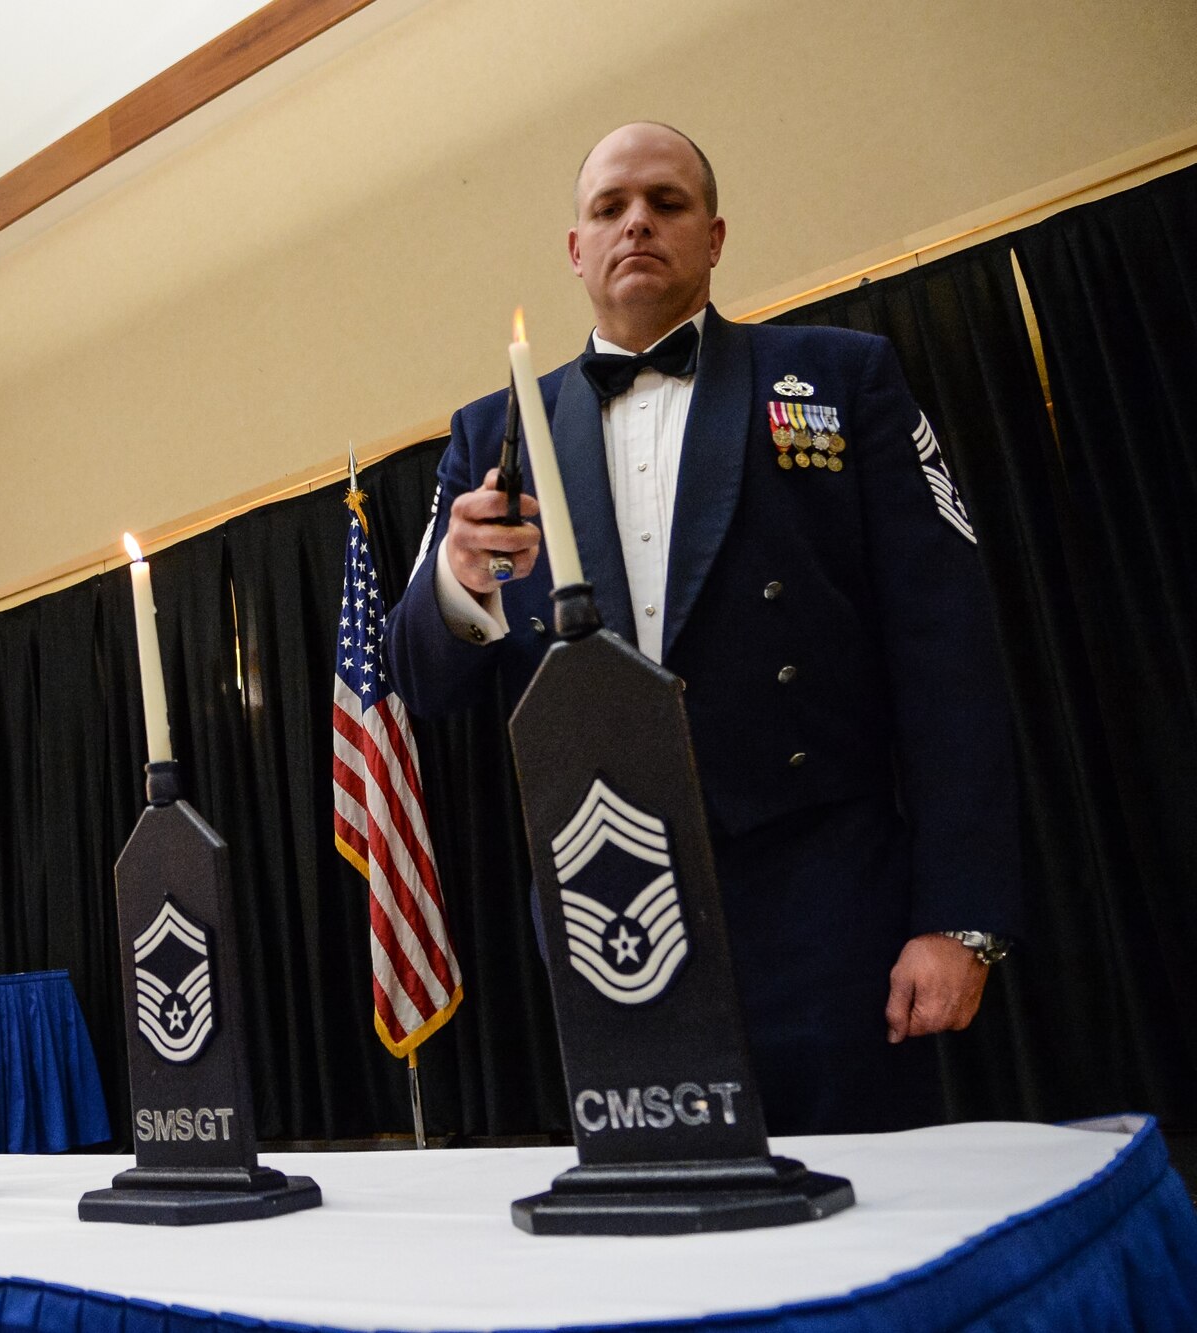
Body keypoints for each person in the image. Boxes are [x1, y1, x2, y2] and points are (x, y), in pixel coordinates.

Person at [385, 122, 1022, 1135]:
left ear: (714, 235)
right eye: (608, 207)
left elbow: (947, 658)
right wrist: (460, 584)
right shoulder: (492, 431)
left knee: (856, 1224)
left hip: (825, 905)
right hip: (608, 914)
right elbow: (418, 679)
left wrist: (958, 917)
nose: (635, 220)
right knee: (661, 1237)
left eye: (665, 202)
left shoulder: (837, 376)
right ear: (575, 248)